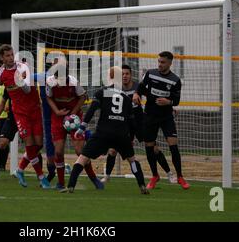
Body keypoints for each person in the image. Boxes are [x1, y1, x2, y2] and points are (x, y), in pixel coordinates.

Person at [0, 44, 51, 189]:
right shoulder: (0, 73)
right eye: (7, 55)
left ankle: (20, 170)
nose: (10, 58)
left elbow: (27, 90)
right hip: (20, 113)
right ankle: (41, 178)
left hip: (34, 109)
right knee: (30, 144)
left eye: (12, 54)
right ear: (1, 57)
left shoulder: (23, 67)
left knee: (38, 145)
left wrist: (19, 80)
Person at [60, 66, 149, 194]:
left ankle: (71, 186)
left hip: (103, 133)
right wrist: (130, 137)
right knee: (132, 160)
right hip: (121, 134)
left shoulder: (101, 92)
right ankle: (142, 186)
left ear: (111, 77)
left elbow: (91, 110)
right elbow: (131, 121)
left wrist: (82, 127)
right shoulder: (126, 98)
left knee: (82, 158)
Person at [102, 64, 175, 184]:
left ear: (131, 75)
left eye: (127, 74)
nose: (125, 76)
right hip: (123, 124)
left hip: (139, 122)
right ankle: (107, 176)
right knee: (112, 150)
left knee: (154, 149)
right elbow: (106, 104)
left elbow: (154, 97)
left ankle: (169, 174)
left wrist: (169, 107)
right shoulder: (114, 88)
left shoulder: (138, 86)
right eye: (122, 74)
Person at [133, 51, 190, 190]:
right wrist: (136, 94)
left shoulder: (175, 80)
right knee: (149, 146)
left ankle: (180, 177)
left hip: (166, 117)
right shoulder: (150, 73)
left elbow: (176, 100)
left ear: (170, 63)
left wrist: (168, 102)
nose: (160, 64)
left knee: (173, 145)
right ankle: (154, 176)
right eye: (158, 61)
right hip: (150, 115)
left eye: (163, 62)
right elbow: (140, 87)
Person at [46, 62, 103, 191]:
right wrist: (56, 111)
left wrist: (73, 113)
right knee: (58, 151)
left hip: (74, 118)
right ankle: (61, 182)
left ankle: (94, 178)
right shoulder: (50, 82)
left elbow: (83, 97)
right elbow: (49, 98)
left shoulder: (73, 82)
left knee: (80, 151)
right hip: (58, 117)